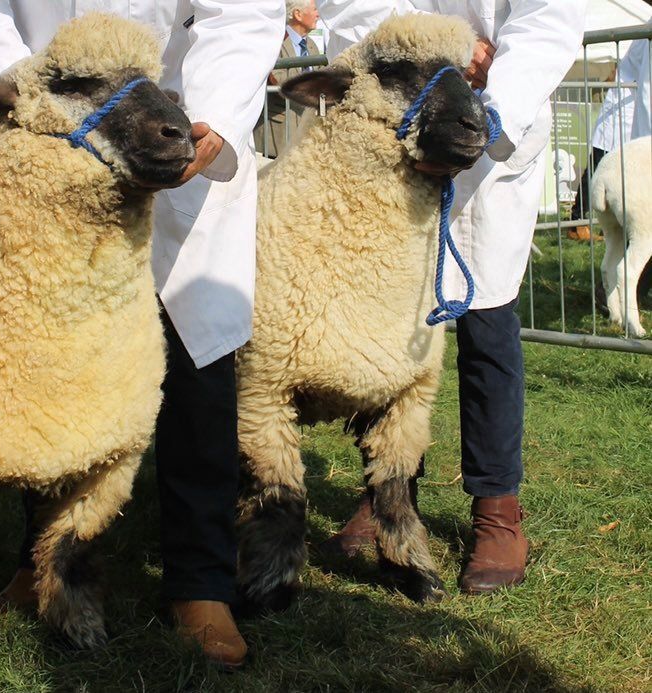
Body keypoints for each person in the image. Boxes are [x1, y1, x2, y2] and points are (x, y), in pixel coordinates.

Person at [0, 0, 283, 669]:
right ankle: (44, 570)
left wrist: (203, 118)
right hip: (55, 141)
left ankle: (200, 581)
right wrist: (37, 88)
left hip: (180, 128)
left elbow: (241, 12)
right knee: (51, 363)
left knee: (194, 356)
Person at [316, 0, 586, 595]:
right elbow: (355, 7)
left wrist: (492, 95)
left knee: (487, 320)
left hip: (490, 129)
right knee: (387, 327)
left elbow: (548, 18)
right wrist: (437, 54)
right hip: (402, 126)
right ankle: (389, 491)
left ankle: (497, 510)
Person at [569, 30, 649, 241]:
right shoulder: (644, 37)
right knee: (598, 167)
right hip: (620, 111)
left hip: (630, 109)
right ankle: (577, 221)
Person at [253, 0, 321, 158]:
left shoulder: (311, 45)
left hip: (304, 129)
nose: (318, 15)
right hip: (277, 133)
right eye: (315, 9)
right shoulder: (275, 40)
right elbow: (277, 78)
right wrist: (312, 87)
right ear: (298, 14)